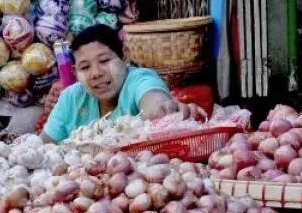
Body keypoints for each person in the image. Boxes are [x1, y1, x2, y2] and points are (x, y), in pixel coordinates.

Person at [43, 24, 204, 143]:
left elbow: (153, 100)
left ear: (125, 56)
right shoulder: (70, 98)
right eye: (85, 67)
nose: (96, 73)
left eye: (104, 60)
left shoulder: (139, 79)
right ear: (75, 72)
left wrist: (165, 110)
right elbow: (43, 145)